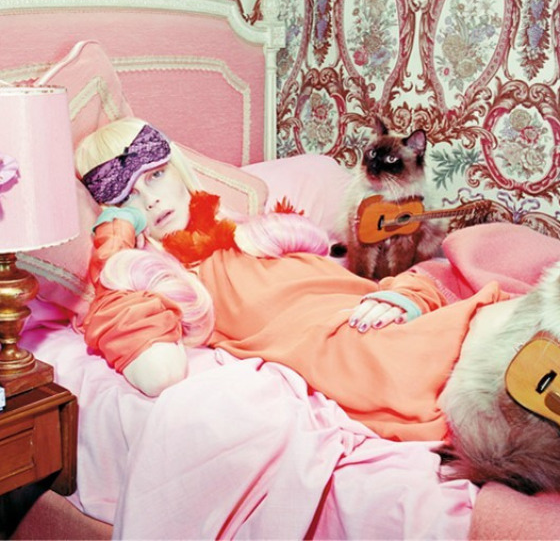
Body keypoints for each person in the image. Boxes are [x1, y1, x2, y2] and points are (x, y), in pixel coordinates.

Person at [75, 116, 549, 443]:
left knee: (505, 279)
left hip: (387, 309)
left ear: (178, 171)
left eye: (156, 176)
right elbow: (159, 374)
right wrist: (115, 242)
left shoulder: (251, 233)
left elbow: (355, 285)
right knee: (516, 355)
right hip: (356, 349)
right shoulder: (164, 284)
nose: (151, 201)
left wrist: (406, 296)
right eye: (127, 197)